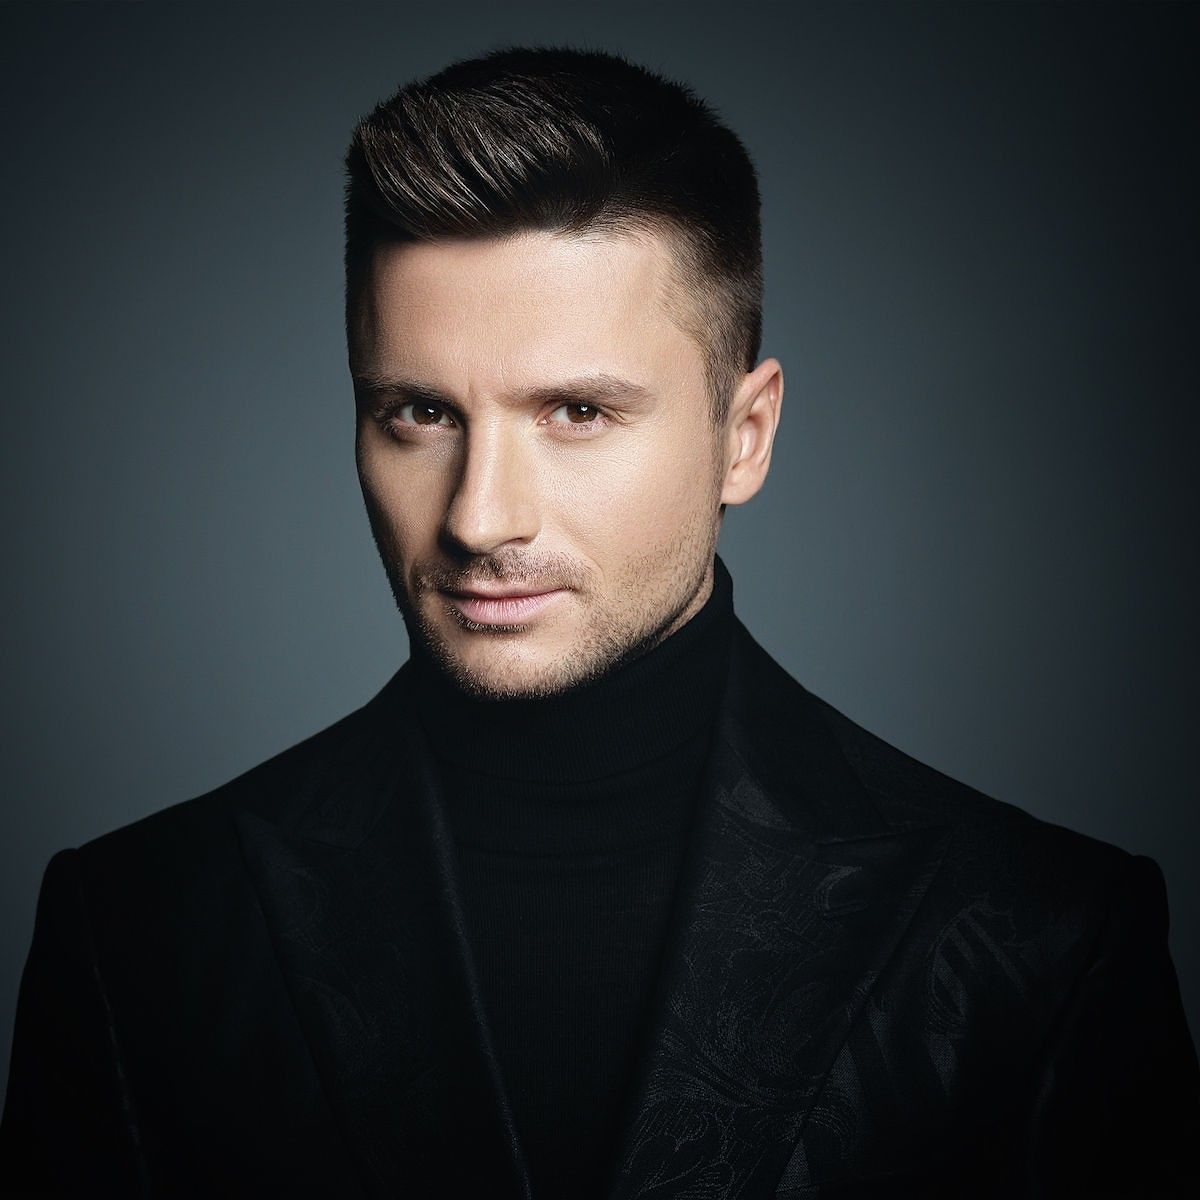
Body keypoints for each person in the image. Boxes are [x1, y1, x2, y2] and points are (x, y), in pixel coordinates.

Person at [1, 43, 1196, 1200]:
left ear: (745, 436)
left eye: (576, 411)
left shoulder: (1037, 940)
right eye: (419, 412)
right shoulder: (137, 933)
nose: (479, 518)